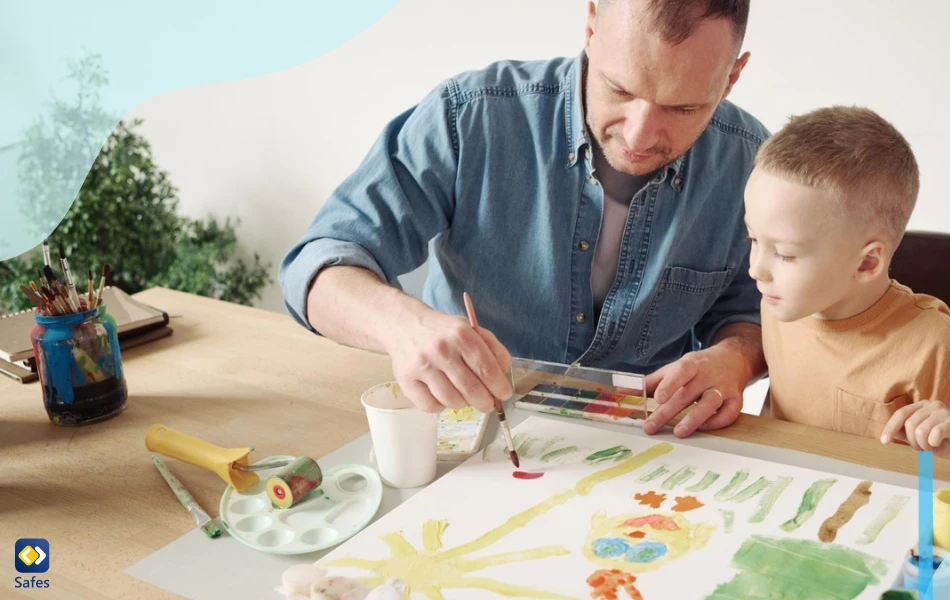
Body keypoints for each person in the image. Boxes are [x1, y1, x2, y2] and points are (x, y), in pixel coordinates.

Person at [279, 0, 769, 438]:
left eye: (682, 108)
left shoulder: (754, 167)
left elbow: (756, 315)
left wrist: (734, 358)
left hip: (649, 449)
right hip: (469, 432)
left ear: (731, 76)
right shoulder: (470, 117)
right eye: (619, 90)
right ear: (591, 24)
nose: (639, 136)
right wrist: (405, 328)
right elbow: (316, 268)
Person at [745, 105, 950, 470]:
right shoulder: (780, 305)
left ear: (867, 263)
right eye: (752, 238)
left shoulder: (938, 350)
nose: (755, 269)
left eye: (784, 254)